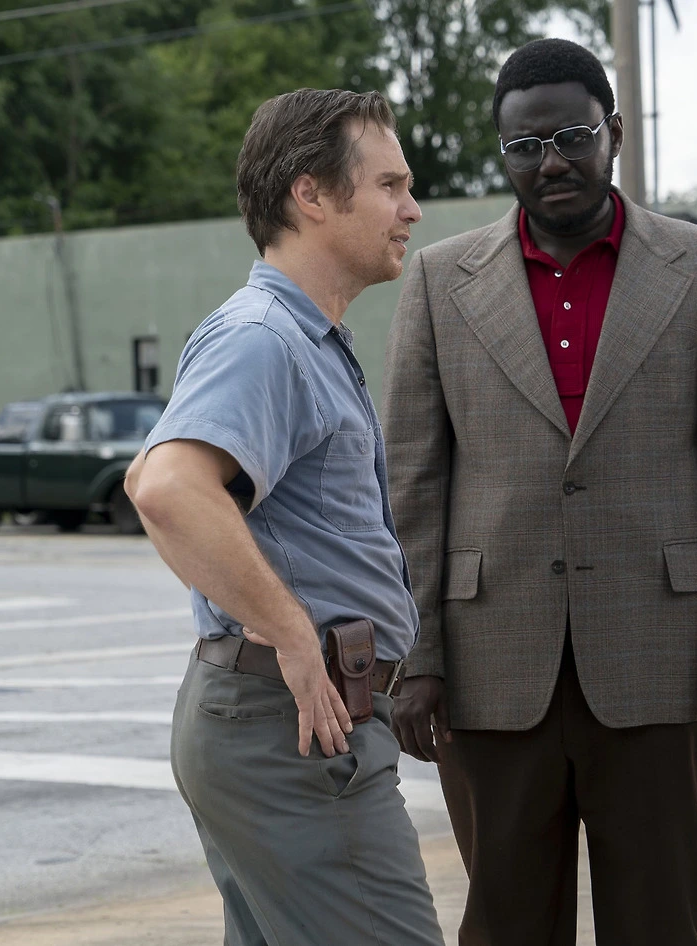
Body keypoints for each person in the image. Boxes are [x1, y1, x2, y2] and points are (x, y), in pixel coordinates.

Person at [382, 37, 697, 946]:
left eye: (572, 137)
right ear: (504, 154)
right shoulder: (441, 280)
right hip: (492, 663)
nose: (552, 162)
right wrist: (416, 655)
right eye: (525, 146)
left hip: (664, 659)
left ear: (614, 134)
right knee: (506, 922)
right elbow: (411, 481)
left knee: (658, 919)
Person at [124, 89, 443, 946]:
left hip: (282, 725)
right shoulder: (266, 337)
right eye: (390, 186)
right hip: (294, 731)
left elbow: (149, 478)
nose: (411, 209)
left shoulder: (297, 338)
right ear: (311, 195)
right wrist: (294, 635)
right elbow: (166, 488)